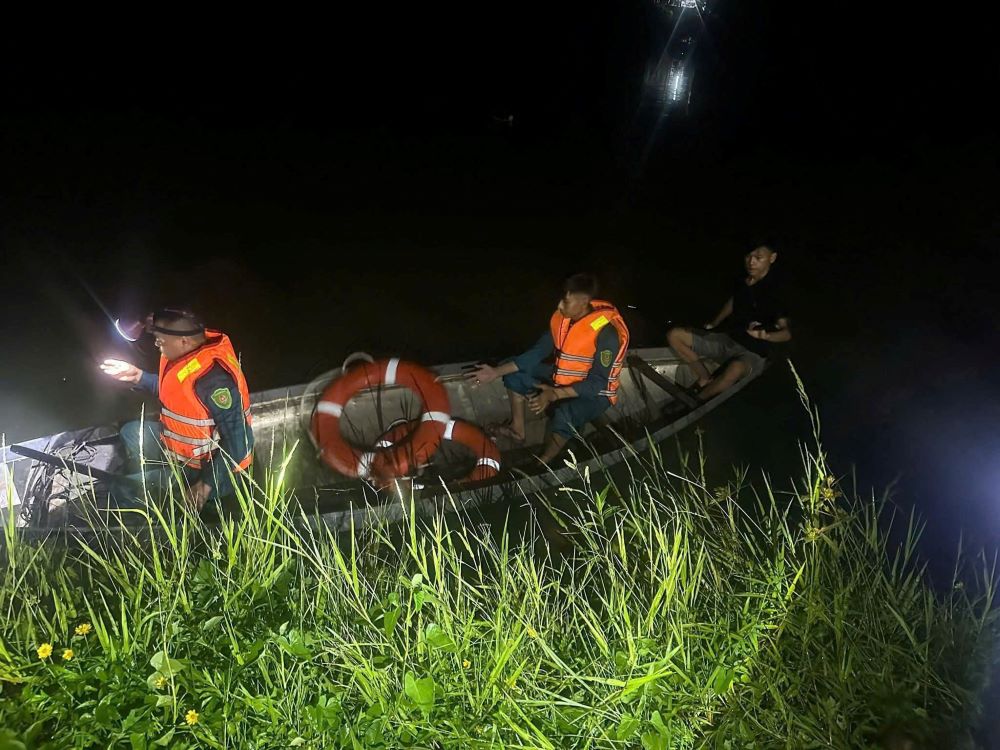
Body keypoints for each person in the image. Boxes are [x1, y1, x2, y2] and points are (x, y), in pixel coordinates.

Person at [466, 274, 630, 465]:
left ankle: (543, 463)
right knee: (513, 370)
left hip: (597, 393)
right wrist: (495, 372)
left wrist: (554, 395)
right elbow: (537, 353)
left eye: (566, 301)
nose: (560, 306)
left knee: (565, 414)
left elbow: (598, 383)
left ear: (584, 301)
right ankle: (518, 430)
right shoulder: (563, 320)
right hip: (563, 380)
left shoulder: (607, 333)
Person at [100, 309, 254, 510]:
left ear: (183, 342)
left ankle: (152, 510)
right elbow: (178, 391)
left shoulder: (214, 381)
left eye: (160, 340)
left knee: (122, 488)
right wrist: (138, 376)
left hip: (209, 468)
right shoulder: (188, 354)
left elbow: (241, 440)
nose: (156, 344)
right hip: (181, 448)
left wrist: (205, 485)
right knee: (130, 432)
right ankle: (156, 475)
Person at [667, 244, 791, 400]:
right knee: (675, 335)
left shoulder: (775, 293)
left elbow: (786, 334)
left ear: (772, 258)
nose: (751, 262)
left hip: (753, 353)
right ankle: (704, 377)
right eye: (748, 256)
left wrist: (765, 336)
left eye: (758, 258)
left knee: (735, 369)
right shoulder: (743, 281)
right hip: (728, 340)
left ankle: (697, 401)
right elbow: (733, 302)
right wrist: (714, 323)